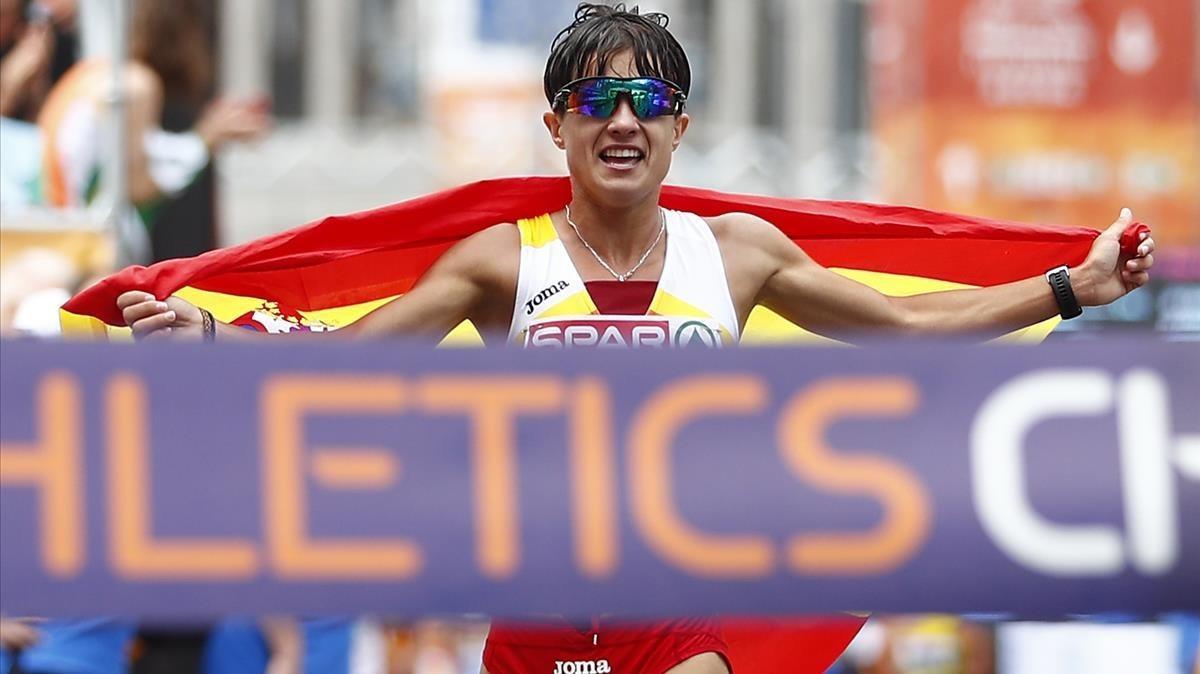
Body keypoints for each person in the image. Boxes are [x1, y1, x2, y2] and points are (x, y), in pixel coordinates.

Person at [115, 3, 1157, 672]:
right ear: (557, 128)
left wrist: (1069, 285)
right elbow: (347, 362)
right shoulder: (498, 261)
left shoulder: (738, 252)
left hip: (684, 613)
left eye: (648, 98)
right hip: (534, 616)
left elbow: (906, 324)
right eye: (596, 100)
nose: (624, 118)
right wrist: (210, 339)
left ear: (678, 127)